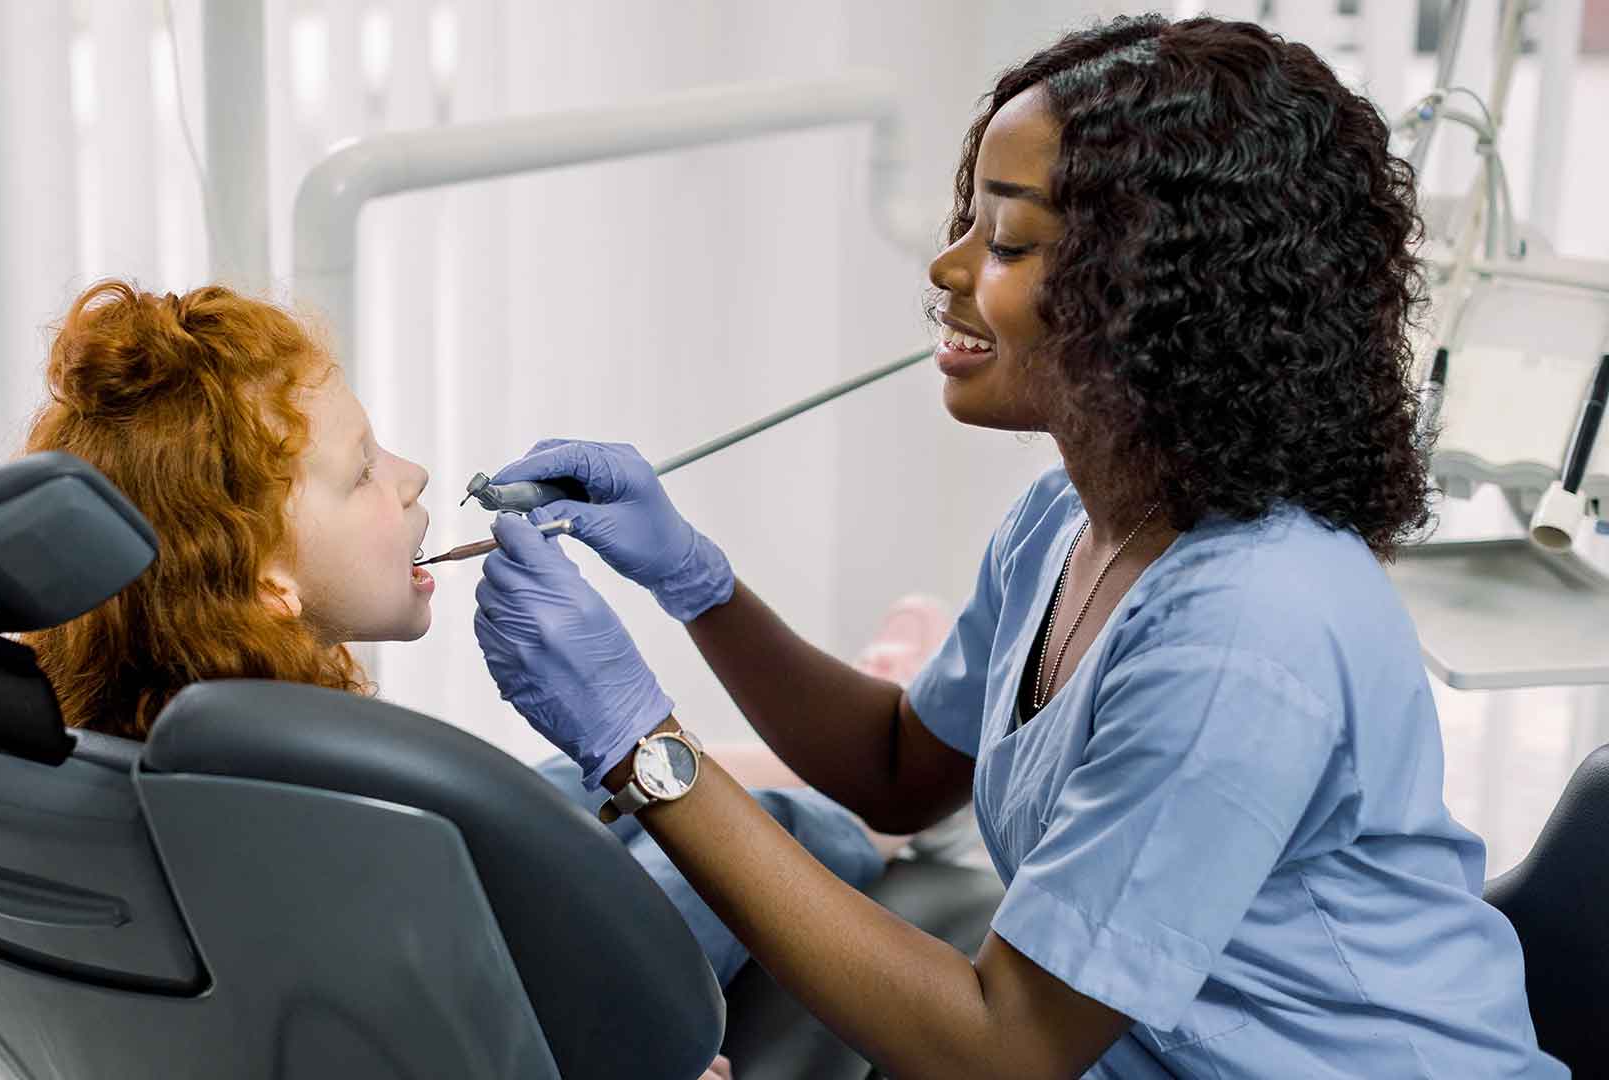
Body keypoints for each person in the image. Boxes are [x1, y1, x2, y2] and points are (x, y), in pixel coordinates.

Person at [471, 15, 1565, 1078]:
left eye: (1006, 240)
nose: (947, 271)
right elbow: (898, 772)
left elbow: (1001, 1050)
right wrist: (692, 580)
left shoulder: (1247, 630)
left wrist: (639, 744)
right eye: (966, 224)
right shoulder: (1068, 521)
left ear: (1161, 293)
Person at [18, 279, 887, 1080]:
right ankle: (858, 791)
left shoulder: (140, 740)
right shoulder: (314, 801)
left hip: (448, 915)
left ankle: (870, 703)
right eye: (361, 472)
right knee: (800, 829)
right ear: (264, 581)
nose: (413, 476)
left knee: (550, 793)